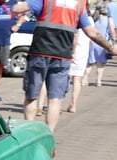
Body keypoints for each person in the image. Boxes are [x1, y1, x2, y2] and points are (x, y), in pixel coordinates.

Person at [13, 0, 117, 132]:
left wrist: (17, 12)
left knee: (31, 96)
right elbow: (91, 32)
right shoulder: (78, 5)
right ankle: (49, 134)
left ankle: (29, 132)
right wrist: (110, 47)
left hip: (40, 53)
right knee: (55, 99)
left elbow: (17, 8)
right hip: (62, 56)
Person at [84, 5, 115, 86]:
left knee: (90, 63)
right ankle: (98, 81)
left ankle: (85, 80)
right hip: (103, 43)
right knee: (100, 64)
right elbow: (112, 31)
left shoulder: (93, 19)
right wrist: (113, 41)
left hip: (93, 42)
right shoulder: (108, 19)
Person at [68, 28, 90, 112]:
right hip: (83, 53)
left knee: (64, 78)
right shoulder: (90, 23)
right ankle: (73, 104)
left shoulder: (76, 22)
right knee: (77, 79)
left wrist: (72, 52)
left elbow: (75, 38)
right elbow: (91, 40)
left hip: (72, 52)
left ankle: (59, 102)